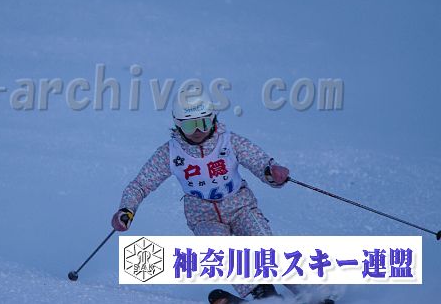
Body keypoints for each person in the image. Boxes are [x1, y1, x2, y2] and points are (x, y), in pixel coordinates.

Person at [111, 87, 334, 304]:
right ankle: (263, 294)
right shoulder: (170, 153)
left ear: (213, 118)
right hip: (203, 216)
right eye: (189, 125)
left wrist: (272, 172)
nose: (197, 130)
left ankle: (309, 292)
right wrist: (126, 209)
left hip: (240, 206)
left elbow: (259, 162)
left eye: (203, 122)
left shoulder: (228, 142)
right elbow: (140, 184)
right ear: (177, 124)